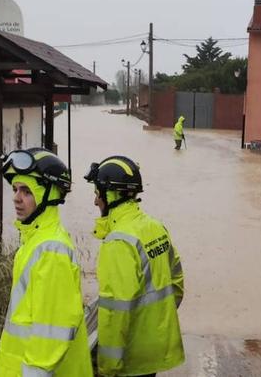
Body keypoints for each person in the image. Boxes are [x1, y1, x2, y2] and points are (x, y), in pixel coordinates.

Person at [0, 147, 93, 377]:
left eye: (27, 191)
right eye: (15, 189)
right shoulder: (35, 242)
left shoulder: (51, 251)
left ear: (49, 195)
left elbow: (51, 335)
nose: (16, 197)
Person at [83, 156, 184, 377]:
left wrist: (107, 368)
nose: (95, 201)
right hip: (154, 349)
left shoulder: (118, 242)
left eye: (97, 193)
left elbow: (115, 310)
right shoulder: (155, 227)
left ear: (110, 195)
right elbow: (176, 283)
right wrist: (156, 321)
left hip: (130, 359)